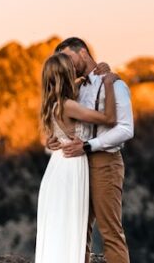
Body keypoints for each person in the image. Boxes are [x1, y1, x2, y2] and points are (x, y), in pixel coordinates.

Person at [50, 37, 134, 263]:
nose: (66, 64)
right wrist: (56, 140)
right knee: (79, 231)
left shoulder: (115, 84)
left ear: (83, 53)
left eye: (68, 57)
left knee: (110, 232)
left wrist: (88, 146)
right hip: (79, 165)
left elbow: (126, 129)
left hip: (106, 162)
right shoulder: (75, 89)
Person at [34, 53, 119, 262]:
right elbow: (109, 119)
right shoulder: (69, 106)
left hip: (58, 166)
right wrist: (109, 82)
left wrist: (84, 79)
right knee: (71, 225)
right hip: (71, 168)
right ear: (66, 74)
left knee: (59, 226)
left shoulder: (52, 103)